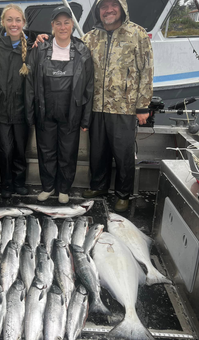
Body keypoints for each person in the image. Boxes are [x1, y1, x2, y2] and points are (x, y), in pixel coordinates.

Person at [81, 0, 154, 212]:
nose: (109, 10)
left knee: (123, 154)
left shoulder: (137, 34)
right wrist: (44, 40)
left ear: (122, 8)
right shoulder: (89, 37)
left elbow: (147, 71)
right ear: (98, 11)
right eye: (104, 6)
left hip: (125, 107)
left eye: (114, 5)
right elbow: (70, 53)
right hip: (96, 106)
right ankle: (99, 186)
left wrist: (143, 106)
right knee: (97, 152)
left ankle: (123, 193)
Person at [25, 6, 94, 204]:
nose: (62, 27)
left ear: (72, 25)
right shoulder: (40, 49)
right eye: (58, 23)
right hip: (44, 112)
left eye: (66, 22)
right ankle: (48, 187)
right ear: (52, 26)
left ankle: (64, 188)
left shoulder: (83, 51)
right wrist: (30, 115)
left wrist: (86, 118)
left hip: (71, 113)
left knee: (68, 153)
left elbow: (89, 86)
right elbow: (30, 84)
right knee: (45, 152)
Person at [0, 4, 33, 199]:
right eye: (9, 20)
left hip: (23, 109)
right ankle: (6, 182)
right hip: (0, 108)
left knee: (20, 149)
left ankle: (19, 181)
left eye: (17, 20)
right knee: (4, 149)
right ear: (3, 22)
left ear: (23, 22)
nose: (13, 24)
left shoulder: (32, 47)